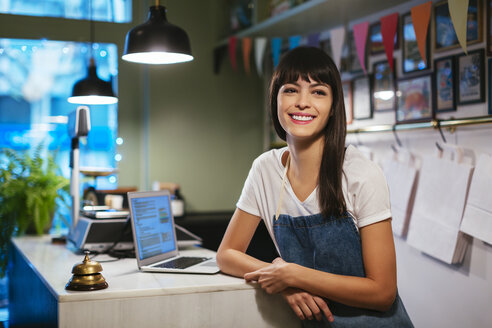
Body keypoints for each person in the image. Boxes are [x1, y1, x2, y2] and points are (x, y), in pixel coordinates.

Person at [216, 46, 413, 327]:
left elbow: (382, 292)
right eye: (291, 90)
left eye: (318, 92)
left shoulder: (361, 174)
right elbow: (227, 255)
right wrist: (280, 278)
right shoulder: (265, 169)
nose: (302, 102)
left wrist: (294, 275)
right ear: (275, 100)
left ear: (333, 107)